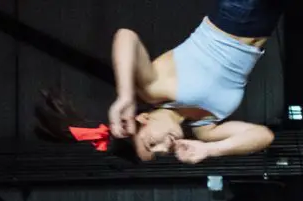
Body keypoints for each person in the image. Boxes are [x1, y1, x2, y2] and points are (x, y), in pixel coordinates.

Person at [35, 0, 282, 164]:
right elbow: (263, 136)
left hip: (240, 11)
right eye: (160, 153)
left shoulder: (152, 89)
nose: (164, 148)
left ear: (143, 119)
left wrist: (125, 95)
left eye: (151, 143)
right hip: (266, 22)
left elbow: (126, 37)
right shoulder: (206, 129)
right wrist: (210, 150)